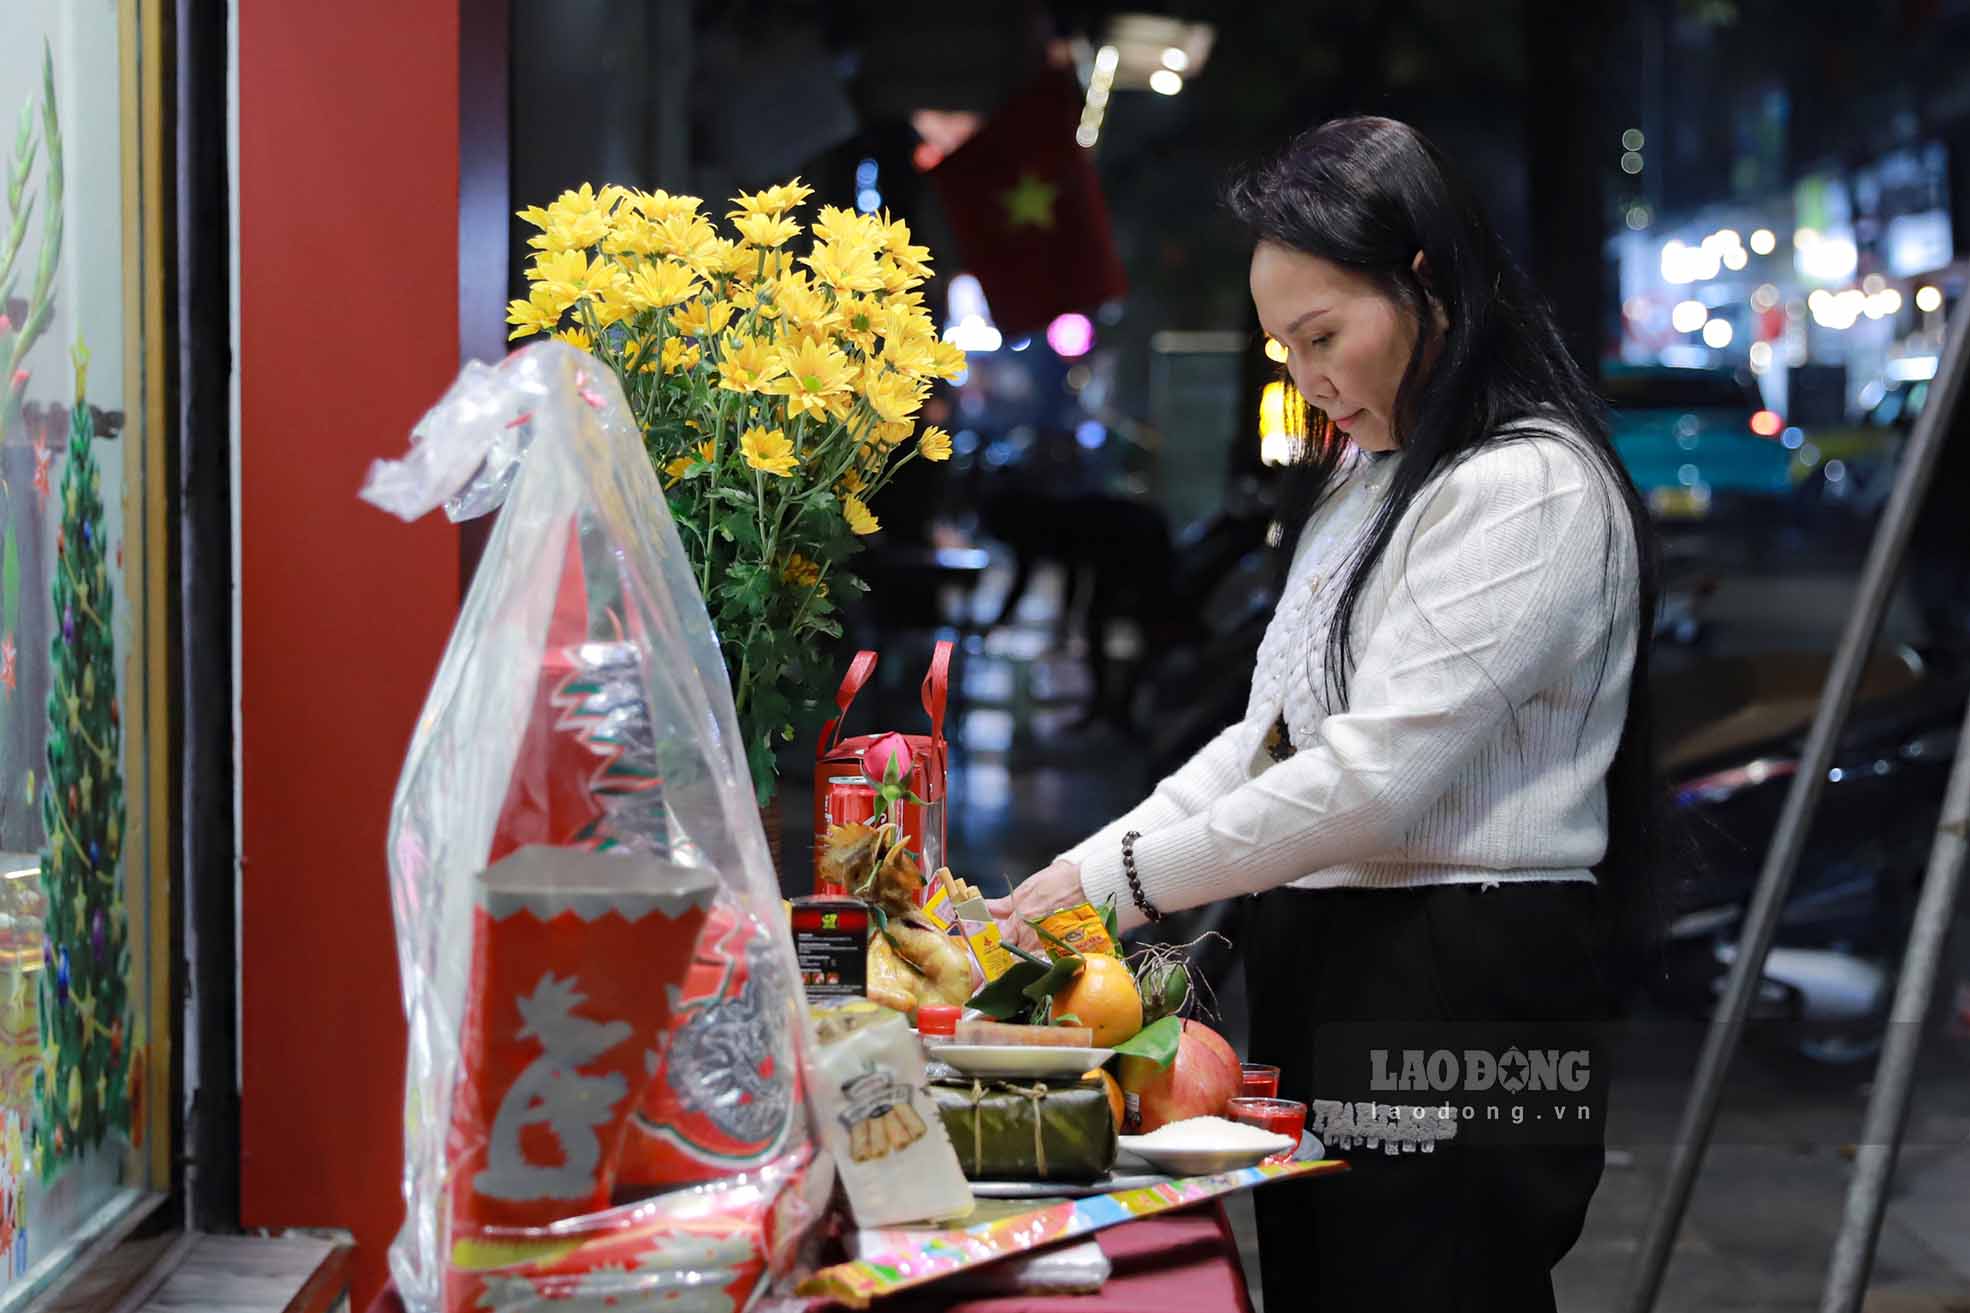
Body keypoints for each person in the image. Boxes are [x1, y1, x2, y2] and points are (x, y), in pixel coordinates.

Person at [989, 116, 1662, 1311]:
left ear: (1424, 282)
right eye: (1280, 347)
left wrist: (1122, 885)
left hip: (1469, 975)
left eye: (1321, 335)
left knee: (1440, 1285)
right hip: (1338, 956)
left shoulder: (1530, 486)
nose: (1305, 379)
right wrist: (1070, 878)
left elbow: (1370, 778)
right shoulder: (1366, 482)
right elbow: (1265, 739)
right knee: (1326, 1280)